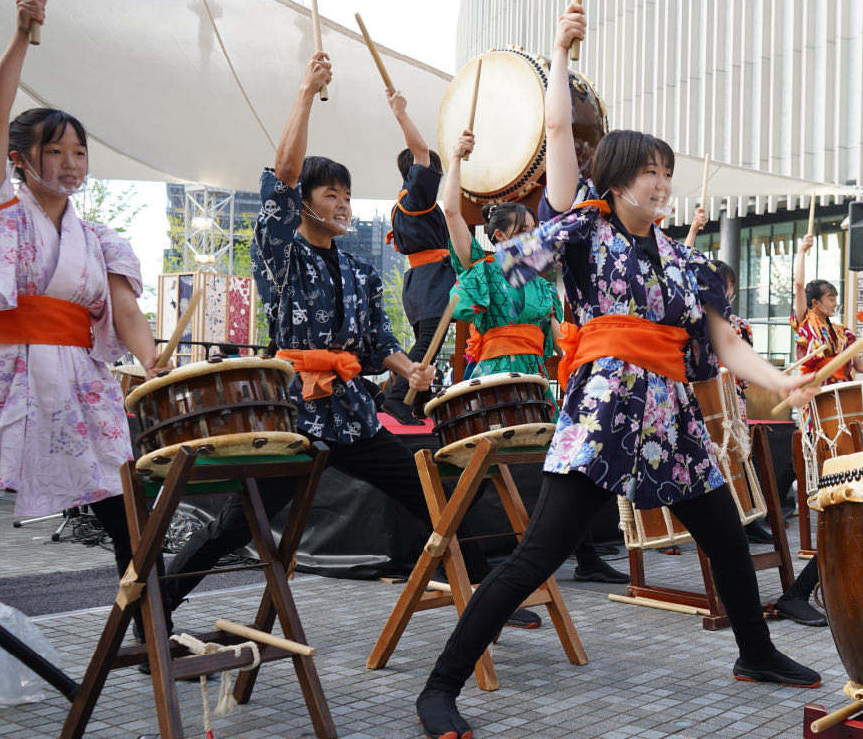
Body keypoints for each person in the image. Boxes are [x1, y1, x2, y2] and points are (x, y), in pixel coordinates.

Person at [413, 3, 822, 739]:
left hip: (671, 416)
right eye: (649, 171)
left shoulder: (688, 263)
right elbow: (562, 133)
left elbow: (725, 346)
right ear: (618, 177)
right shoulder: (584, 227)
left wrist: (783, 380)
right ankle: (440, 687)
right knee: (540, 552)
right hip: (604, 410)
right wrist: (561, 55)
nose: (661, 182)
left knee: (728, 537)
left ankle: (754, 653)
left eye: (667, 171)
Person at [164, 52, 541, 629]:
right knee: (238, 526)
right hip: (295, 415)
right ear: (304, 205)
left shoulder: (360, 272)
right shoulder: (281, 255)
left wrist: (407, 368)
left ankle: (486, 593)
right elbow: (283, 176)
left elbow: (375, 343)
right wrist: (305, 93)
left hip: (352, 415)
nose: (342, 203)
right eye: (330, 194)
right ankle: (156, 607)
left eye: (346, 193)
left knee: (438, 491)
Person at [0, 0, 162, 623]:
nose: (70, 163)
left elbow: (126, 315)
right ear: (19, 159)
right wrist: (17, 37)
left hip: (80, 386)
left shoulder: (100, 241)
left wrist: (150, 361)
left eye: (79, 152)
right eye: (55, 150)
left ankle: (153, 635)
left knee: (131, 521)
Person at [440, 130, 626, 584]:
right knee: (479, 472)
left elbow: (557, 342)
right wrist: (455, 161)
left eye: (534, 234)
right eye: (522, 234)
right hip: (494, 381)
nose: (532, 242)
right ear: (499, 236)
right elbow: (448, 209)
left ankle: (584, 559)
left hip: (534, 383)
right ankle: (456, 555)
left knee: (565, 466)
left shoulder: (543, 285)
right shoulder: (483, 269)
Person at [714, 259, 823, 626]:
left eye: (727, 283)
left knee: (739, 463)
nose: (725, 289)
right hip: (704, 401)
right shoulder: (692, 312)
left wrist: (778, 382)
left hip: (736, 400)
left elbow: (741, 358)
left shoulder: (738, 324)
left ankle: (746, 521)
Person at [378, 88, 455, 426]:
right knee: (427, 343)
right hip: (431, 282)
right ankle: (397, 399)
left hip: (424, 282)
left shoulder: (409, 203)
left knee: (430, 344)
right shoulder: (416, 198)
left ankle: (415, 399)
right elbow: (422, 153)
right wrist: (400, 113)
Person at [792, 233, 863, 385]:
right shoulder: (805, 321)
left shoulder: (842, 333)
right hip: (816, 393)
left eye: (836, 299)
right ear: (815, 302)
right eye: (831, 299)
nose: (836, 304)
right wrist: (802, 251)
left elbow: (860, 365)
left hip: (842, 393)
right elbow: (798, 285)